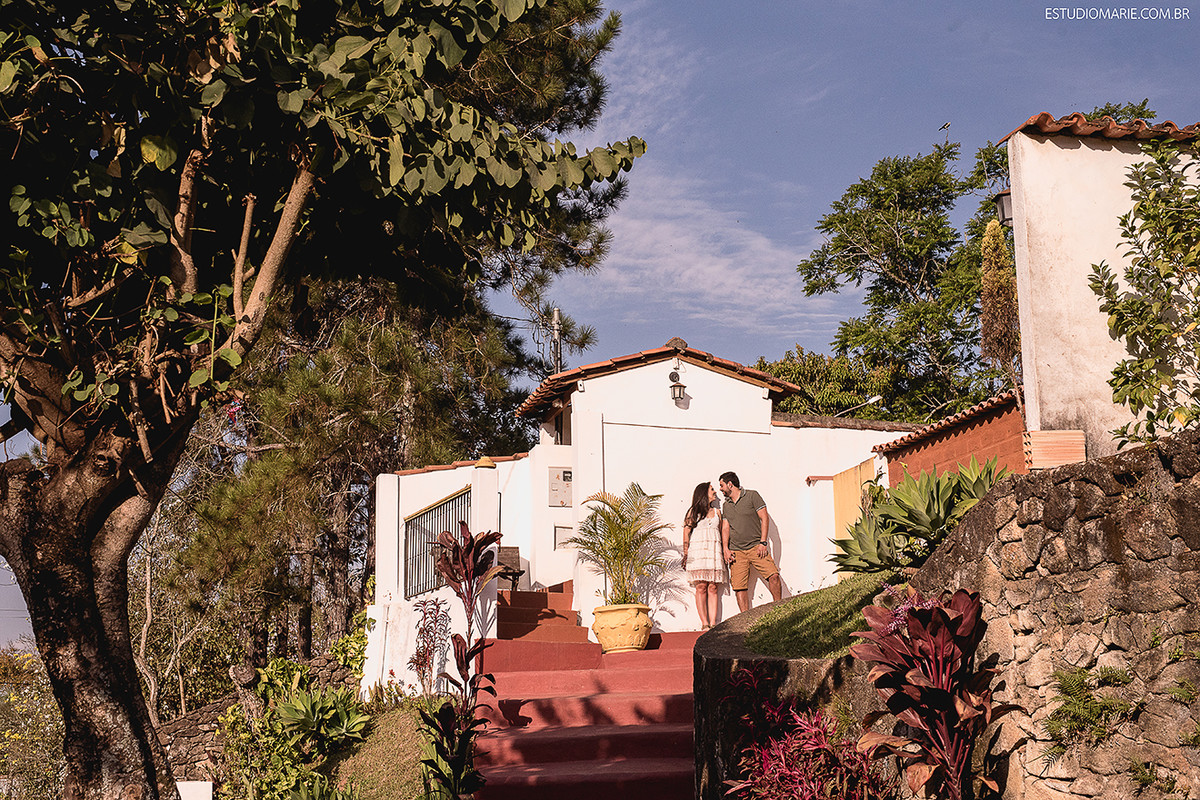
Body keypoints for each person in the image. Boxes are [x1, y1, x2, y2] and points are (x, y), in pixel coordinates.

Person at [719, 471, 782, 612]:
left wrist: (763, 542)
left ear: (730, 484)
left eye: (722, 485)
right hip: (736, 551)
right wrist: (725, 549)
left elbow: (764, 518)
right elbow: (725, 527)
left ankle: (779, 608)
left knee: (774, 576)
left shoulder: (753, 496)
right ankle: (744, 619)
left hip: (756, 547)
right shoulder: (726, 505)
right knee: (739, 587)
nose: (720, 489)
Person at [681, 482, 725, 630]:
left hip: (712, 552)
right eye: (712, 490)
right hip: (698, 553)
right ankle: (704, 623)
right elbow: (686, 533)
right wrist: (686, 554)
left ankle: (713, 624)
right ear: (703, 493)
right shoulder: (693, 512)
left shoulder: (718, 512)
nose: (715, 492)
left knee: (713, 587)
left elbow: (718, 531)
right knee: (701, 587)